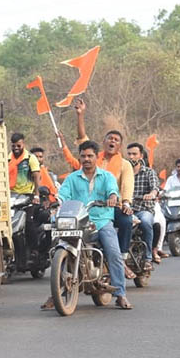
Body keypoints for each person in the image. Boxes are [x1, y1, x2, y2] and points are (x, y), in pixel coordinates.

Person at [53, 140, 131, 309]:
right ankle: (57, 292)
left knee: (113, 252)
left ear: (97, 157)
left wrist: (112, 197)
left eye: (90, 156)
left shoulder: (107, 176)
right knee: (58, 246)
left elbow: (112, 190)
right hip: (78, 220)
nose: (86, 159)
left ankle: (120, 294)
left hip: (101, 220)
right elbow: (63, 194)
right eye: (83, 156)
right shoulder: (72, 178)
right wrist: (55, 201)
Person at [75, 100, 135, 277]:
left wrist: (125, 202)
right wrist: (80, 115)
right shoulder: (94, 158)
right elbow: (82, 139)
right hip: (87, 205)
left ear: (119, 146)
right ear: (103, 142)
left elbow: (127, 185)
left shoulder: (124, 165)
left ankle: (121, 260)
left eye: (116, 140)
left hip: (110, 207)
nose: (113, 141)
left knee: (126, 221)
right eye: (110, 138)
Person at [126, 142, 160, 266]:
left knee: (146, 222)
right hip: (126, 209)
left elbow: (155, 187)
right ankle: (121, 256)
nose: (131, 157)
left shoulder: (149, 172)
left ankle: (147, 258)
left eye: (134, 154)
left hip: (143, 209)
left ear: (141, 156)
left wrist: (151, 194)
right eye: (129, 154)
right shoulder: (123, 172)